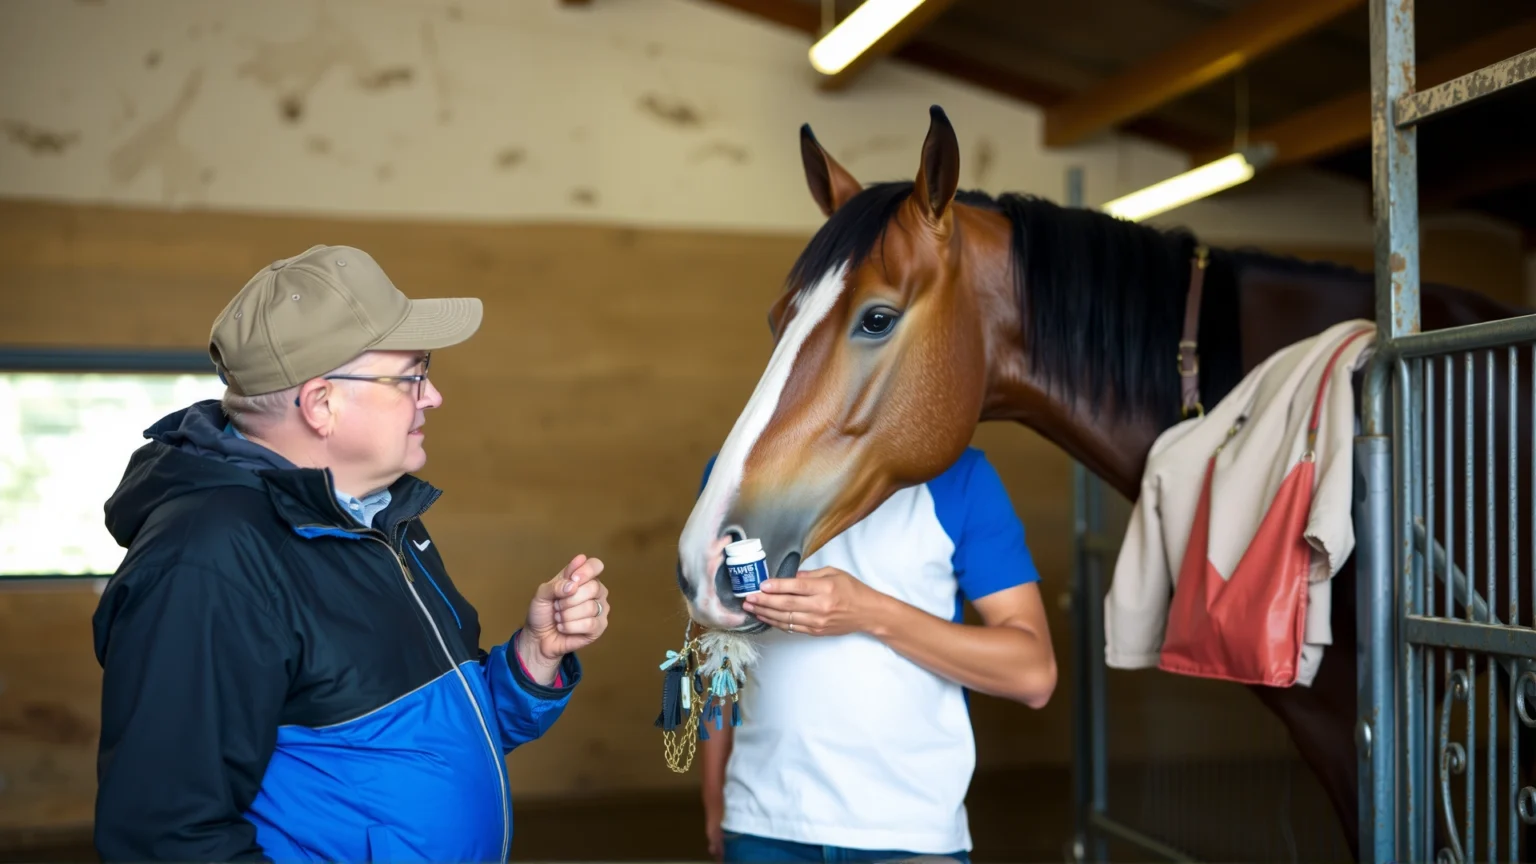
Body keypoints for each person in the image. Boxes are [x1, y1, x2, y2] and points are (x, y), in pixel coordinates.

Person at [91, 244, 611, 863]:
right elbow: (166, 836)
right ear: (321, 404)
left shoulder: (374, 519)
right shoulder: (208, 562)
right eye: (412, 375)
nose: (434, 396)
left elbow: (423, 733)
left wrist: (532, 657)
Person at [696, 448, 1057, 864]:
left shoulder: (959, 476)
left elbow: (1033, 673)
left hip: (912, 832)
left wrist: (870, 612)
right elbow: (720, 649)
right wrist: (715, 799)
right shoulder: (739, 469)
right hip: (761, 827)